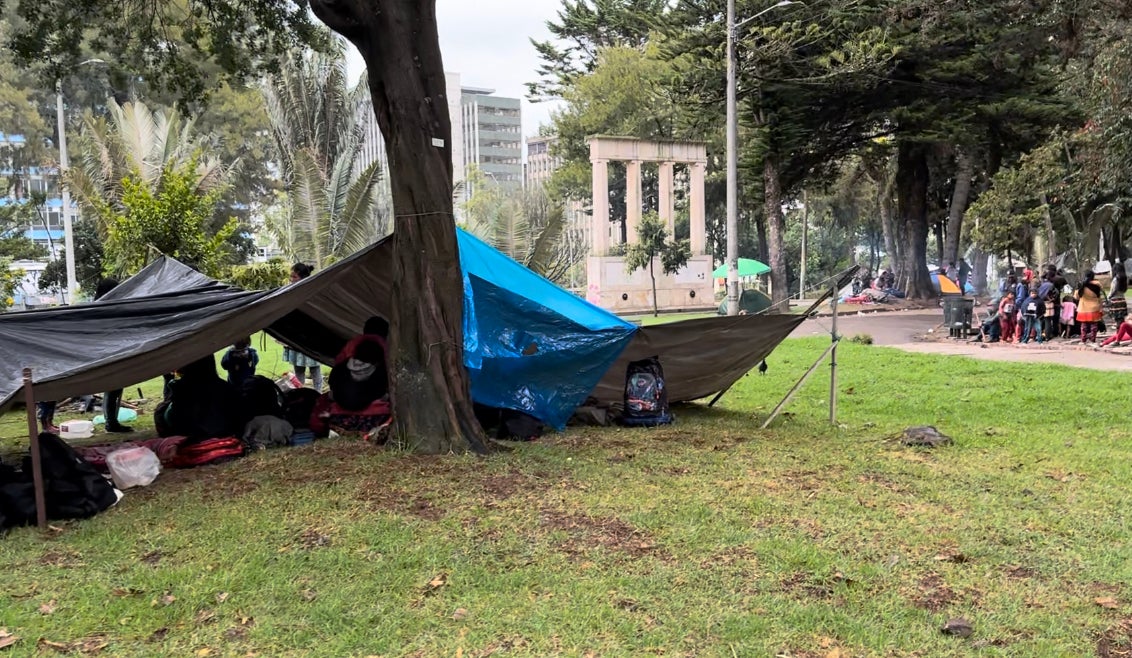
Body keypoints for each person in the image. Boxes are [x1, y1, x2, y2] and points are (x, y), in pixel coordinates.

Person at [156, 355, 243, 439]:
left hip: (193, 436)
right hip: (223, 433)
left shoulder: (181, 388)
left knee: (161, 410)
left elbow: (174, 418)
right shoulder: (226, 387)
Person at [94, 278, 132, 433]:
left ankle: (111, 421)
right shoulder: (104, 306)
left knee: (113, 388)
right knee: (113, 388)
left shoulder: (100, 305)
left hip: (110, 350)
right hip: (110, 352)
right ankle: (111, 422)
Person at [283, 263, 323, 391]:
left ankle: (318, 394)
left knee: (315, 370)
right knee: (298, 370)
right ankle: (299, 395)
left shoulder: (312, 292)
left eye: (294, 277)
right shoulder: (289, 292)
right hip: (296, 337)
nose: (291, 279)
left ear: (303, 277)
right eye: (291, 276)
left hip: (310, 338)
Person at [1076, 269, 1105, 344]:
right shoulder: (1097, 284)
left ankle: (1083, 340)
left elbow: (1076, 297)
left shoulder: (1081, 284)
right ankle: (1093, 340)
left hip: (1083, 308)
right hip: (1094, 307)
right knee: (1094, 325)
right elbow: (1100, 296)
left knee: (1084, 325)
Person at [1110, 262, 1128, 326]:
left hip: (1115, 301)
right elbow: (1125, 289)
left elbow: (1113, 290)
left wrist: (1109, 296)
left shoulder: (1115, 279)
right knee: (1121, 319)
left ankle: (1119, 334)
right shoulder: (1124, 279)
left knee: (1117, 319)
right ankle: (1122, 332)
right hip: (1122, 300)